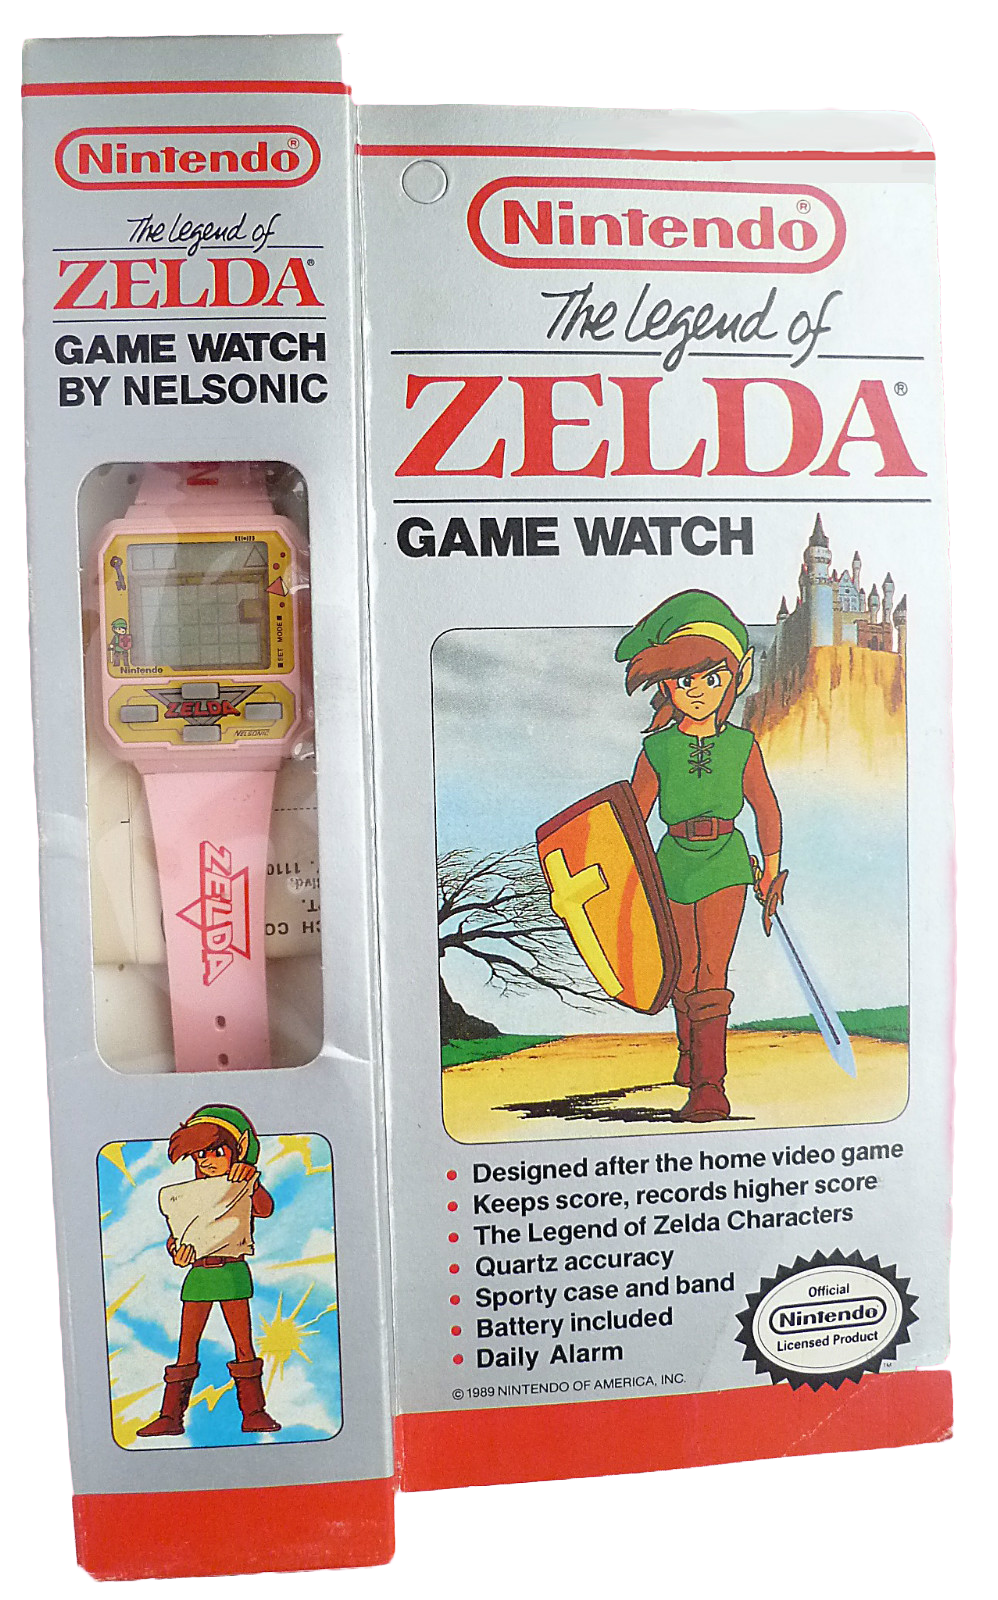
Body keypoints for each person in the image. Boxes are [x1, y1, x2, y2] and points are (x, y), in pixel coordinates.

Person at [616, 590, 784, 1122]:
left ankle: (710, 1088)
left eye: (711, 677)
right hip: (670, 865)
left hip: (727, 863)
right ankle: (689, 1054)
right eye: (684, 679)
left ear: (733, 679)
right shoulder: (656, 749)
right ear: (667, 685)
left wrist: (771, 869)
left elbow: (766, 808)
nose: (697, 690)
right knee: (682, 970)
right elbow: (632, 819)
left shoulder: (743, 746)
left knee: (711, 970)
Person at [137, 1104, 281, 1438]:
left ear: (237, 1152)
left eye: (217, 1152)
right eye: (200, 1155)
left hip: (232, 1271)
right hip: (199, 1274)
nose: (207, 1161)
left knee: (243, 1345)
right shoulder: (188, 1195)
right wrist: (177, 1252)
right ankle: (171, 1416)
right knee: (186, 1347)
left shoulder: (241, 1185)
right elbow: (178, 1235)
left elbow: (265, 1209)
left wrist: (252, 1179)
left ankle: (254, 1412)